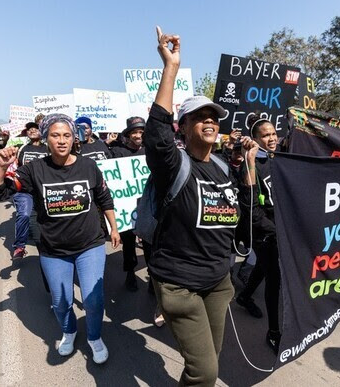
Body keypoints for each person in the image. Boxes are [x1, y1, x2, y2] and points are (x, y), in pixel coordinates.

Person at [144, 27, 257, 386]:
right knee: (205, 372)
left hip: (217, 284)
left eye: (214, 117)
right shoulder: (174, 165)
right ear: (185, 126)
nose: (210, 121)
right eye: (200, 117)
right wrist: (171, 68)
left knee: (209, 359)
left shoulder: (224, 167)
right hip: (180, 285)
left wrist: (250, 165)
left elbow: (243, 214)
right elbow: (156, 134)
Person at [0, 113, 120, 364]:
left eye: (66, 135)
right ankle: (68, 332)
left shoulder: (88, 166)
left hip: (90, 244)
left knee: (94, 298)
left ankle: (94, 336)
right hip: (53, 249)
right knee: (61, 302)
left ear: (74, 138)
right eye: (55, 135)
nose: (61, 140)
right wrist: (0, 168)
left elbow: (104, 198)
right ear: (46, 138)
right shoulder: (33, 170)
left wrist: (113, 227)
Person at [235, 113, 282, 353]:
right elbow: (252, 211)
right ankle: (274, 332)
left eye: (274, 133)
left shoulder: (279, 158)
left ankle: (244, 296)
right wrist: (277, 231)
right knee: (274, 279)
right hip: (263, 233)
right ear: (254, 138)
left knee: (264, 268)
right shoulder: (251, 164)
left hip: (279, 230)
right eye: (266, 135)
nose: (272, 138)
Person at [110, 116, 151, 291]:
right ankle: (130, 274)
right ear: (128, 135)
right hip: (126, 208)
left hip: (147, 206)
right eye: (135, 132)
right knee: (128, 243)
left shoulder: (149, 151)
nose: (138, 135)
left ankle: (153, 276)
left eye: (141, 131)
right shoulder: (118, 152)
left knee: (150, 243)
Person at [10, 122, 49, 259]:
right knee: (25, 214)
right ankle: (19, 246)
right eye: (29, 130)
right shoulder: (21, 149)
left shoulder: (48, 149)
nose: (32, 131)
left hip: (44, 191)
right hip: (25, 190)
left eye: (35, 129)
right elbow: (13, 167)